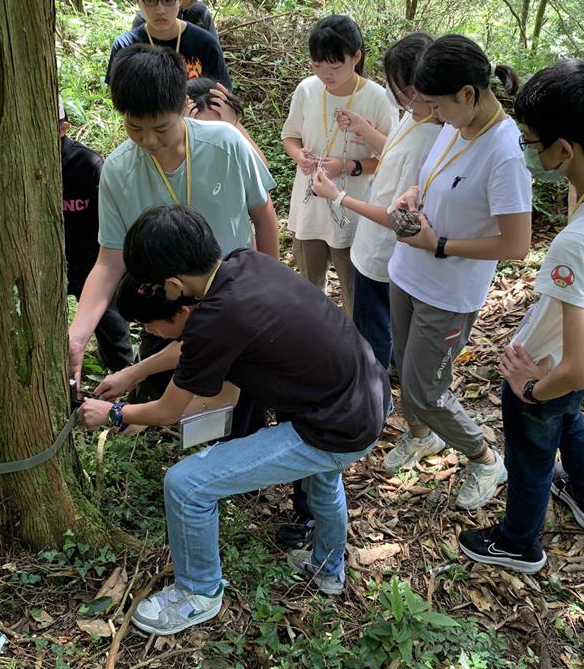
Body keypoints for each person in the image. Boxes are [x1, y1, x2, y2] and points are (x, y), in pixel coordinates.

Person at [78, 205, 388, 635]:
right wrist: (133, 372)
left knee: (186, 485)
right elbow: (195, 346)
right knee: (323, 476)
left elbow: (169, 409)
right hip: (364, 398)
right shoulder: (246, 262)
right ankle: (329, 567)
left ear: (172, 286)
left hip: (333, 427)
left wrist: (113, 414)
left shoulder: (214, 318)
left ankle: (198, 593)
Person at [458, 60, 584, 573]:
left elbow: (572, 371)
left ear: (564, 150)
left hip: (551, 368)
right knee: (569, 416)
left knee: (530, 456)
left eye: (531, 142)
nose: (529, 150)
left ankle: (518, 543)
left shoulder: (578, 243)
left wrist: (530, 389)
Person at [67, 44, 278, 391]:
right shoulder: (119, 171)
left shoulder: (225, 144)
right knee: (167, 398)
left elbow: (263, 216)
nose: (148, 140)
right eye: (135, 128)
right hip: (166, 308)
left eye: (161, 129)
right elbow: (109, 262)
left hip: (235, 295)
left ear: (183, 106)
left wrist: (270, 288)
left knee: (240, 396)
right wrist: (78, 334)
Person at [385, 35, 532, 501]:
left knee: (427, 389)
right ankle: (421, 435)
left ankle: (485, 459)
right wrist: (413, 192)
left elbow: (516, 244)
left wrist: (441, 244)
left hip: (447, 293)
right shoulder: (455, 123)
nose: (429, 113)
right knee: (405, 372)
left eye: (434, 104)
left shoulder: (505, 153)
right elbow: (437, 177)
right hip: (408, 271)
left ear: (468, 94)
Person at [311, 32, 441, 410]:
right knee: (382, 324)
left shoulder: (433, 137)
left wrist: (338, 196)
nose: (401, 97)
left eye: (407, 89)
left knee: (372, 331)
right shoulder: (415, 116)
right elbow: (394, 150)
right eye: (396, 87)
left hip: (383, 253)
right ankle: (385, 382)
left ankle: (373, 403)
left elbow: (397, 218)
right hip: (373, 248)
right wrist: (366, 130)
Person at [282, 14, 398, 316]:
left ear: (356, 57)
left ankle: (356, 350)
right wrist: (299, 156)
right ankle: (318, 343)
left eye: (334, 66)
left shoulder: (377, 99)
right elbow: (290, 136)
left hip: (353, 209)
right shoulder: (307, 89)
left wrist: (347, 166)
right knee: (309, 284)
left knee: (353, 289)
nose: (325, 74)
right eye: (318, 65)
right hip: (310, 209)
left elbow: (393, 159)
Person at [59, 96, 134, 372]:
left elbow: (114, 221)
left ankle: (124, 381)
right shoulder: (21, 166)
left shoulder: (88, 165)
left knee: (112, 328)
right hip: (47, 265)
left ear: (63, 128)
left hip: (93, 263)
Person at [106, 0, 230, 87]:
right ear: (138, 1)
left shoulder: (205, 44)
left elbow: (223, 97)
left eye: (168, 0)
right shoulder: (125, 47)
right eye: (150, 0)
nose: (160, 9)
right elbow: (121, 101)